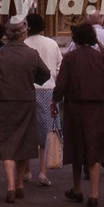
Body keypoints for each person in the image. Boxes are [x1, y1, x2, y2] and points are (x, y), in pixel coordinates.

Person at [0, 19, 50, 203]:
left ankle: (10, 186)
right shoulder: (31, 54)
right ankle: (20, 183)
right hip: (26, 101)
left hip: (4, 102)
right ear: (23, 33)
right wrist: (30, 79)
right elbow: (45, 74)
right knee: (23, 143)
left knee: (7, 144)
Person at [51, 22, 104, 207]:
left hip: (75, 108)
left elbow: (62, 84)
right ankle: (94, 193)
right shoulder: (101, 58)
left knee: (76, 147)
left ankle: (77, 188)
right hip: (97, 109)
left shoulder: (70, 58)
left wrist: (54, 101)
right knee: (94, 149)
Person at [24, 13, 62, 187]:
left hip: (28, 89)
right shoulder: (52, 44)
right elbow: (58, 66)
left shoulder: (24, 45)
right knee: (46, 131)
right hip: (48, 89)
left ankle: (26, 170)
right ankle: (43, 171)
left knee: (27, 129)